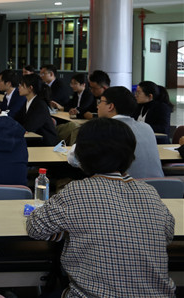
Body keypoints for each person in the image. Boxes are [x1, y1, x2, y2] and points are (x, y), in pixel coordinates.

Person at [27, 118, 176, 297]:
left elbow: (35, 228)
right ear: (130, 155)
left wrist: (69, 231)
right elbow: (167, 233)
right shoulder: (149, 192)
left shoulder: (77, 192)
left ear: (81, 155)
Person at [68, 86, 164, 179]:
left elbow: (73, 158)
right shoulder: (147, 127)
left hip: (125, 186)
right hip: (160, 185)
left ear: (110, 106)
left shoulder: (103, 129)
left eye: (100, 102)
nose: (97, 106)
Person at [14, 74, 58, 146]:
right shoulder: (28, 102)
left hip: (45, 144)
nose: (19, 87)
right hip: (34, 140)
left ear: (30, 88)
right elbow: (17, 119)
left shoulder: (40, 105)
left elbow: (29, 127)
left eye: (22, 85)